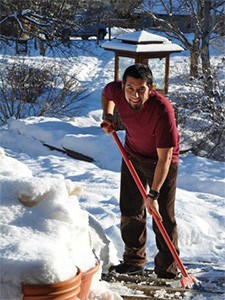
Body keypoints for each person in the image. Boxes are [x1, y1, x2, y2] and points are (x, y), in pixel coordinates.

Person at [101, 64, 180, 279]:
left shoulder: (162, 111)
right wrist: (108, 116)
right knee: (130, 210)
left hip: (160, 163)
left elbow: (164, 158)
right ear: (124, 85)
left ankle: (167, 269)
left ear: (151, 88)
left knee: (162, 215)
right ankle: (133, 261)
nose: (135, 95)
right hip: (132, 156)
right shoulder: (117, 90)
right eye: (130, 88)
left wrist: (152, 194)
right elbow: (106, 93)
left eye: (141, 89)